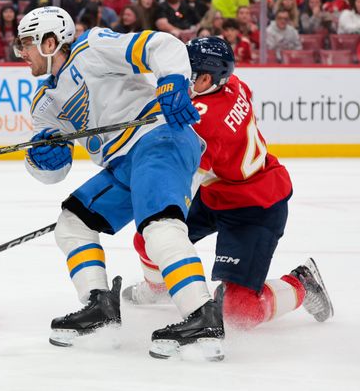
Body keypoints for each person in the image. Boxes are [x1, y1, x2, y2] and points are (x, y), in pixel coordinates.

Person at [16, 6, 223, 360]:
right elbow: (52, 174)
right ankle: (99, 308)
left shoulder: (92, 48)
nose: (21, 54)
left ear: (50, 41)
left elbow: (163, 45)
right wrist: (41, 160)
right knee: (72, 223)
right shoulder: (44, 104)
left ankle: (202, 316)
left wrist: (171, 79)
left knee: (158, 228)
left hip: (158, 139)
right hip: (123, 164)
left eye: (27, 44)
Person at [123, 37, 334, 330]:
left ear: (208, 78)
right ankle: (157, 288)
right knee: (148, 237)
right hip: (217, 191)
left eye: (189, 74)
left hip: (255, 203)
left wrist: (148, 191)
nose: (181, 79)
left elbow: (186, 178)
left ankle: (301, 284)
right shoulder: (232, 83)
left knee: (241, 311)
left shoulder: (204, 124)